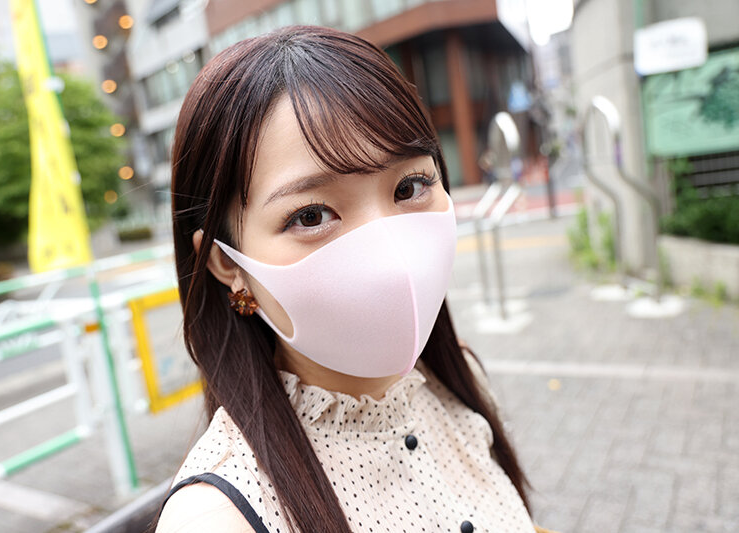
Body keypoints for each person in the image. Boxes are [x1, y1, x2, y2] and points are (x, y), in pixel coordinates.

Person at [156, 25, 545, 533]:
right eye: (311, 215)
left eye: (409, 186)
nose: (389, 258)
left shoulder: (455, 378)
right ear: (228, 264)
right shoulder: (218, 518)